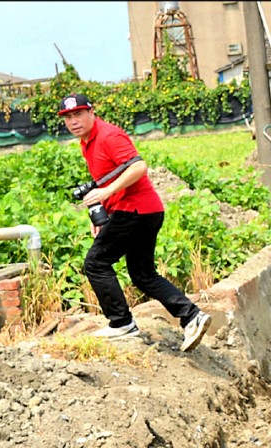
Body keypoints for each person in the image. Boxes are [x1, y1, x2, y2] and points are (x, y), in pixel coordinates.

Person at [58, 93, 211, 352]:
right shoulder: (87, 143)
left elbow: (138, 167)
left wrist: (106, 194)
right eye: (68, 117)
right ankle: (192, 316)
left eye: (79, 114)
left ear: (92, 113)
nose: (74, 121)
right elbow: (109, 179)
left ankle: (121, 323)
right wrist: (99, 213)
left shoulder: (108, 135)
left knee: (96, 262)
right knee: (142, 273)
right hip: (144, 211)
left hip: (135, 211)